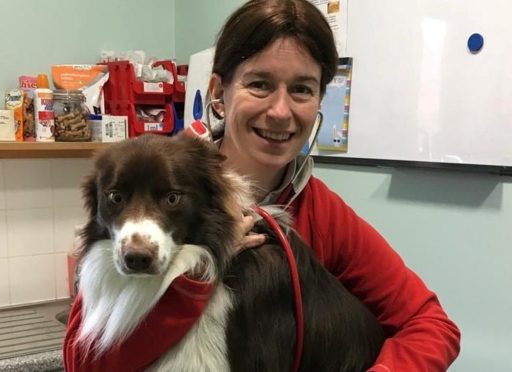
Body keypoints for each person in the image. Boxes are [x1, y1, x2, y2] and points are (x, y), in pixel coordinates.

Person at [64, 1, 460, 371]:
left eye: (302, 89)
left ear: (320, 100)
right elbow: (82, 361)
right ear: (219, 93)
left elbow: (432, 325)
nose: (281, 111)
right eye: (260, 84)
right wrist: (198, 275)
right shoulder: (156, 180)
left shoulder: (318, 209)